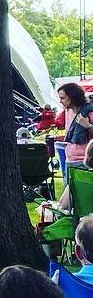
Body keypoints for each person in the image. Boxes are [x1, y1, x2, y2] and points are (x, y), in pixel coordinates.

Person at [53, 81, 91, 209]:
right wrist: (57, 138)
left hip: (84, 162)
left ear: (72, 96)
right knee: (69, 202)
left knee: (81, 201)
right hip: (69, 160)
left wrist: (88, 126)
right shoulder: (68, 112)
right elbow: (71, 136)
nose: (60, 101)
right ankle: (71, 225)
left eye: (63, 98)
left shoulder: (89, 112)